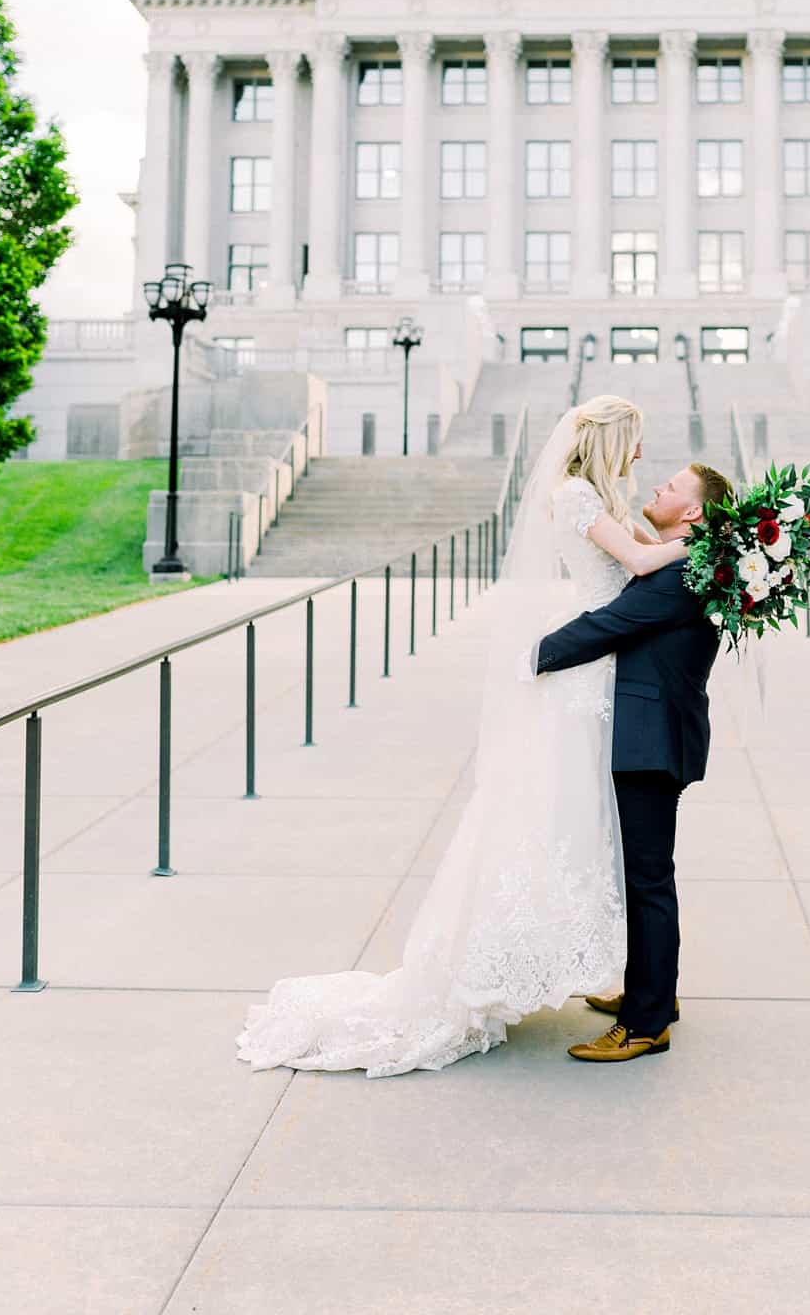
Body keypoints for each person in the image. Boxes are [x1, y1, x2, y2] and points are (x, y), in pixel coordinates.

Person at [236, 395, 687, 1078]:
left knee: (590, 826)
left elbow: (645, 559)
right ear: (612, 439)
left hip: (606, 679)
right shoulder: (573, 498)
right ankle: (526, 968)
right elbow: (644, 566)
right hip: (587, 676)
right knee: (557, 817)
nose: (642, 455)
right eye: (637, 441)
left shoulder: (602, 497)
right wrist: (717, 542)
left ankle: (633, 985)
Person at [530, 459, 733, 1063]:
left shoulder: (683, 574)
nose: (658, 488)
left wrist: (528, 659)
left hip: (650, 743)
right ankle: (652, 996)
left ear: (692, 512)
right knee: (644, 876)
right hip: (653, 735)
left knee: (647, 879)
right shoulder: (686, 561)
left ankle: (645, 1025)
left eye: (671, 487)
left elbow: (608, 625)